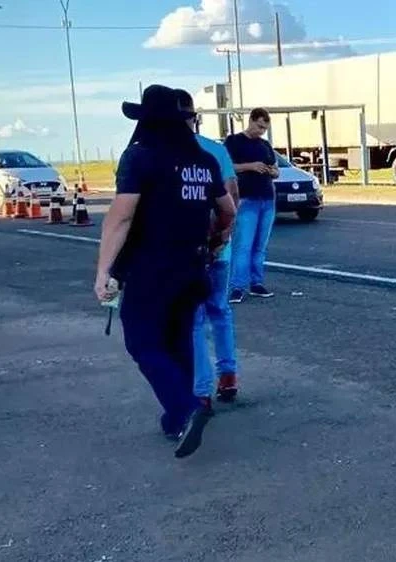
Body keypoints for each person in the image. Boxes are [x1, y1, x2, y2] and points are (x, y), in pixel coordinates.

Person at [94, 84, 237, 459]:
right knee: (178, 340)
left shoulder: (140, 156)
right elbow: (228, 210)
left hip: (151, 268)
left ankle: (185, 408)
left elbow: (121, 217)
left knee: (142, 341)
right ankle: (177, 420)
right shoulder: (203, 160)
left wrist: (104, 270)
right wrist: (217, 239)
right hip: (193, 266)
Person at [174, 89, 241, 404]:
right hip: (220, 249)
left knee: (194, 319)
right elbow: (232, 197)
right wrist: (222, 237)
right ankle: (228, 375)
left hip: (188, 251)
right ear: (195, 117)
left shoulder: (167, 153)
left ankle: (201, 390)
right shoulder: (216, 150)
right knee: (220, 309)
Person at [224, 108, 279, 304]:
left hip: (267, 199)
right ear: (251, 121)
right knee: (243, 245)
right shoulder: (234, 141)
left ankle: (257, 283)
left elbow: (276, 170)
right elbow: (227, 166)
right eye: (259, 126)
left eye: (264, 129)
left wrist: (272, 171)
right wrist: (250, 166)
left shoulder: (265, 145)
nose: (261, 131)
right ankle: (237, 286)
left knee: (260, 246)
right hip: (247, 199)